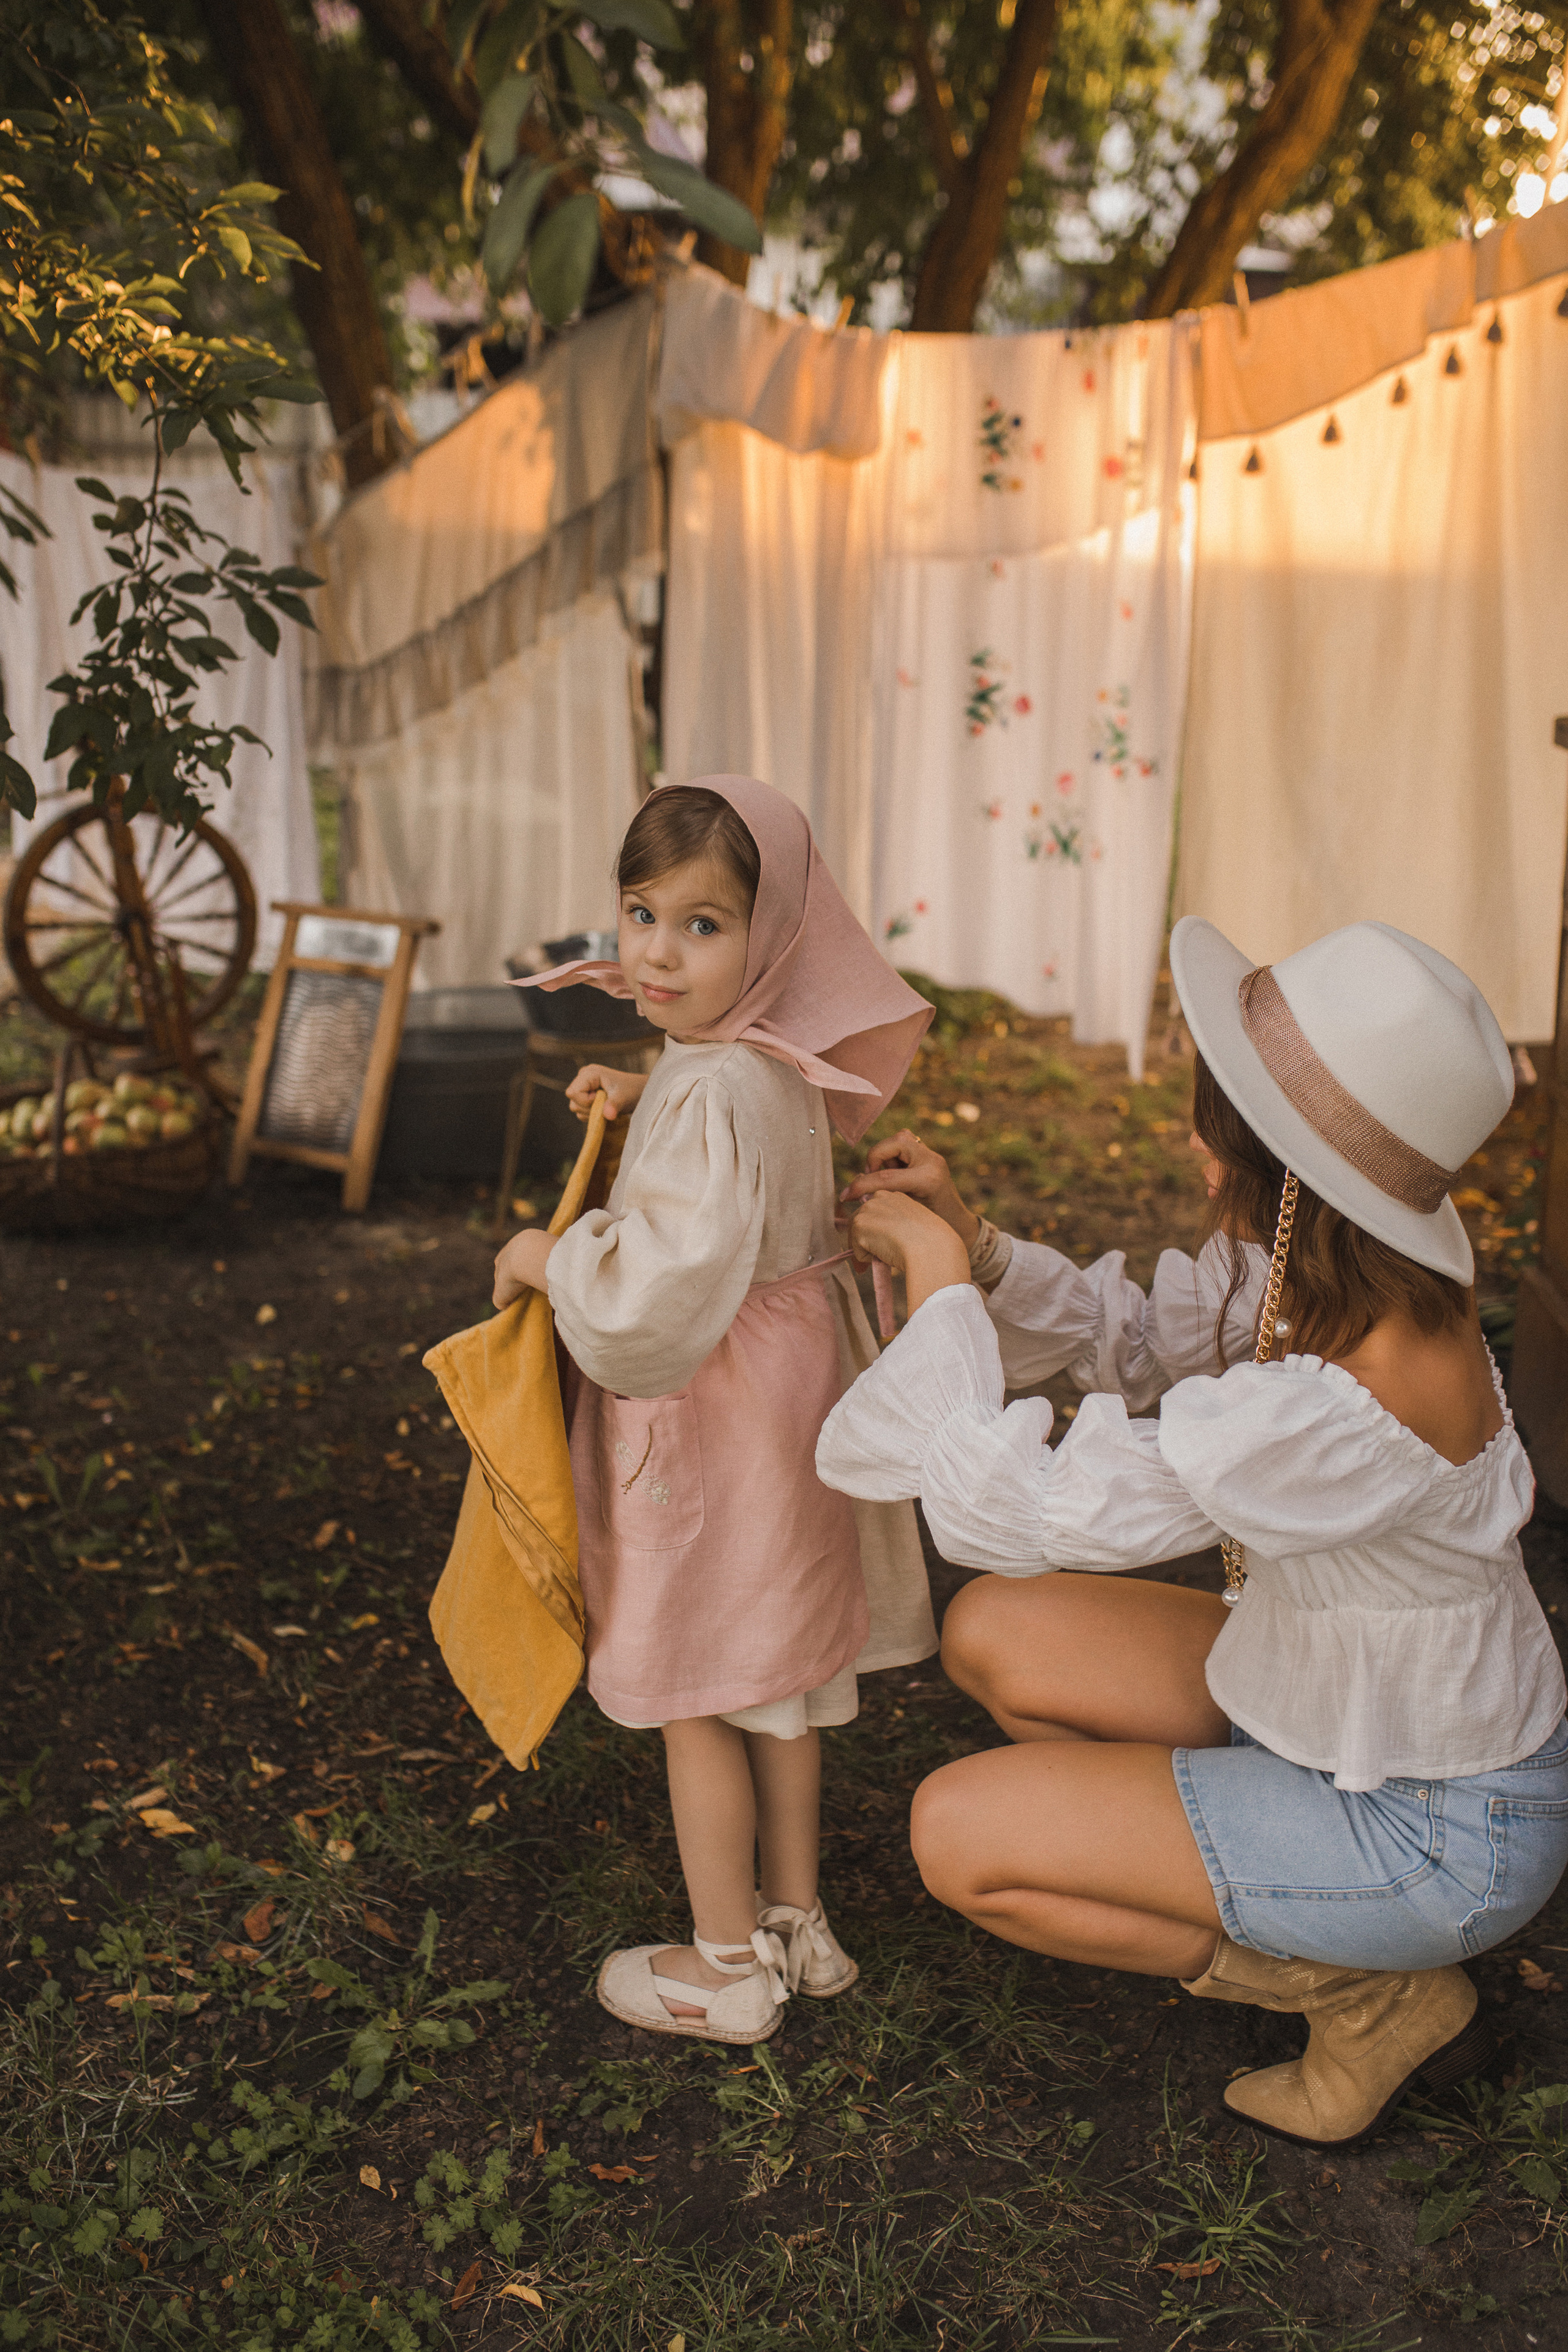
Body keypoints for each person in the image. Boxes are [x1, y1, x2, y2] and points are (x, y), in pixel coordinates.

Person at [816, 916, 1568, 2149]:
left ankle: (1367, 1990)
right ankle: (1268, 1874)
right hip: (1335, 1700)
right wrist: (985, 1247)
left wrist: (943, 1290)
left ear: (1284, 1176)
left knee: (956, 1836)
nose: (1192, 1143)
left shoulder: (1346, 1402)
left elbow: (1023, 1506)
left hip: (1433, 1825)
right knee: (998, 1630)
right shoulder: (1348, 1274)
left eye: (1219, 1126)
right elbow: (1146, 1332)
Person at [492, 775, 937, 2043]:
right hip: (794, 1408)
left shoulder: (711, 1087)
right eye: (640, 913)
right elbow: (729, 1141)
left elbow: (656, 1294)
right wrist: (646, 1093)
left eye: (703, 925)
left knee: (696, 1681)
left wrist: (545, 1256)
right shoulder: (766, 1058)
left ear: (774, 934)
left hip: (719, 1411)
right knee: (783, 1678)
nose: (656, 951)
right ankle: (800, 1920)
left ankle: (724, 1964)